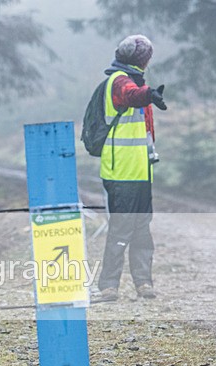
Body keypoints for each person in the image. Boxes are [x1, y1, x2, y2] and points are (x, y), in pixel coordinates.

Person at [96, 34, 167, 302]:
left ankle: (143, 284)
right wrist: (149, 94)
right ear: (143, 59)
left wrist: (147, 92)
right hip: (121, 173)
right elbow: (131, 96)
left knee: (141, 230)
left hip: (140, 172)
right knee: (121, 229)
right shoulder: (119, 81)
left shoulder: (136, 80)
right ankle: (109, 286)